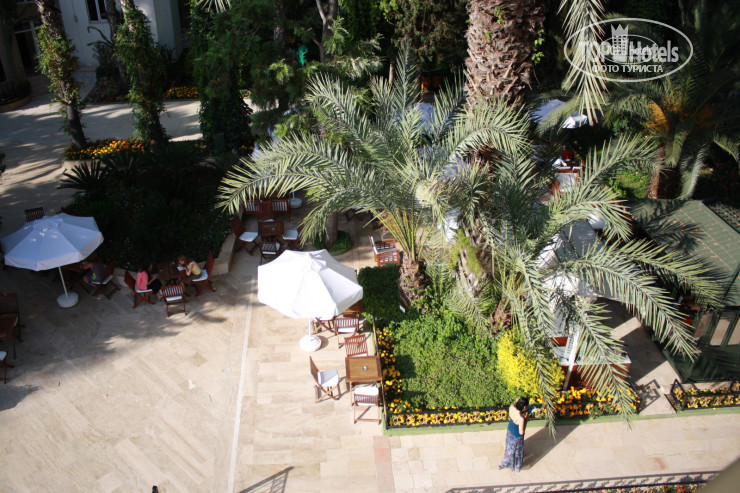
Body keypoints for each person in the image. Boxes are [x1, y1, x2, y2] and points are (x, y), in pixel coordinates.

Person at [499, 397, 537, 472]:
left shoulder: (512, 407)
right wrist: (526, 420)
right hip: (517, 436)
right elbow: (521, 432)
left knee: (509, 447)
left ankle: (505, 462)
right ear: (524, 407)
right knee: (517, 452)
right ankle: (516, 466)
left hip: (510, 430)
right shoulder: (521, 419)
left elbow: (517, 412)